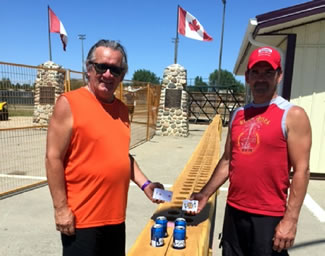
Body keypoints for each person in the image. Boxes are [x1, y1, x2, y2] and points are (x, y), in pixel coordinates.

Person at [45, 39, 164, 256]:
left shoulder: (121, 110)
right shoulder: (69, 103)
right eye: (102, 67)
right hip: (82, 219)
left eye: (115, 69)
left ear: (122, 74)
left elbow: (120, 155)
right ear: (89, 69)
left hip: (116, 217)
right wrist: (61, 209)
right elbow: (53, 157)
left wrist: (145, 184)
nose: (108, 74)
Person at [190, 46, 312, 255]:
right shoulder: (238, 114)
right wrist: (204, 194)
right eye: (255, 72)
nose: (261, 78)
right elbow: (228, 161)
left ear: (279, 76)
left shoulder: (292, 115)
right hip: (235, 212)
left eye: (268, 72)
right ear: (247, 77)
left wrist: (290, 220)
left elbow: (302, 170)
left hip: (268, 216)